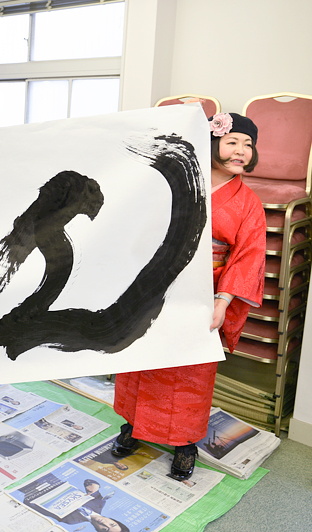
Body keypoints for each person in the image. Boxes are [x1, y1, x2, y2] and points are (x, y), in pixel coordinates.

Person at [113, 112, 266, 481]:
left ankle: (184, 443)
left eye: (248, 145)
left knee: (189, 371)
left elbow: (248, 257)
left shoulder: (248, 203)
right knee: (141, 357)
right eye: (232, 142)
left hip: (203, 294)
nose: (241, 151)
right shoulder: (178, 183)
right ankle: (133, 426)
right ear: (212, 144)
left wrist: (223, 301)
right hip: (156, 284)